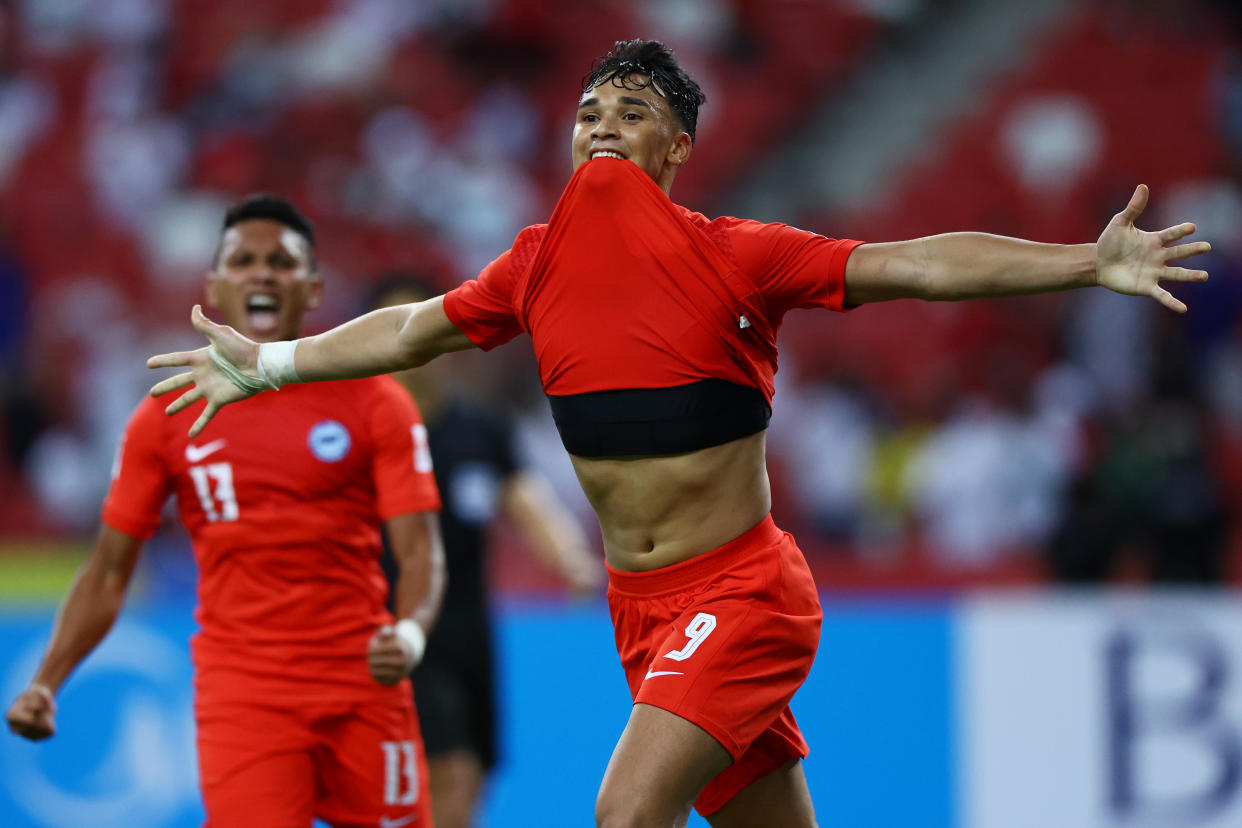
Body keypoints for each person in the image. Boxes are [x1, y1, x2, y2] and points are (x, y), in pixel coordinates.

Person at [144, 40, 1213, 828]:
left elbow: (917, 262)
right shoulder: (534, 262)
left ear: (679, 148)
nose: (602, 119)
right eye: (589, 108)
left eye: (633, 108)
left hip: (741, 596)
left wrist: (1085, 259)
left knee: (624, 815)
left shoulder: (740, 254)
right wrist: (269, 362)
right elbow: (412, 331)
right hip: (640, 613)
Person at [7, 195, 446, 828]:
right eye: (242, 260)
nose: (262, 273)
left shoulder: (374, 399)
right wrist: (48, 681)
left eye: (282, 262)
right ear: (213, 285)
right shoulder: (165, 416)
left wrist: (407, 633)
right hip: (246, 696)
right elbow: (108, 572)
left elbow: (419, 550)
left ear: (315, 288)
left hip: (363, 685)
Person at [368, 273, 603, 828]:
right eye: (393, 326)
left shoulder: (479, 429)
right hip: (392, 627)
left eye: (418, 324)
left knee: (471, 777)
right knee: (443, 769)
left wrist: (570, 559)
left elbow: (525, 499)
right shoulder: (357, 431)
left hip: (470, 627)